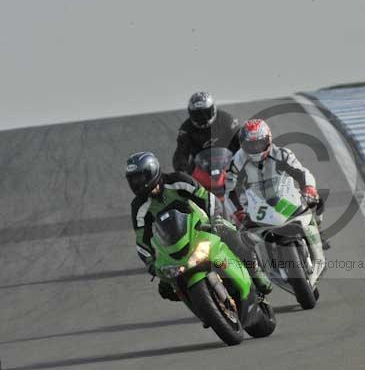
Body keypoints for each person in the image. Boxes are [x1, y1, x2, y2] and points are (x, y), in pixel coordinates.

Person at [125, 151, 272, 299]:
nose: (135, 183)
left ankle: (255, 271)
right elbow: (141, 239)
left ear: (152, 172)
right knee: (166, 290)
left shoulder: (177, 181)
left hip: (202, 226)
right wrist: (150, 262)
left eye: (139, 178)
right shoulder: (138, 206)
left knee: (233, 235)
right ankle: (204, 308)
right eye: (132, 180)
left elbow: (207, 198)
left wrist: (215, 219)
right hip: (173, 246)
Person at [225, 119, 328, 248]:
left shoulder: (281, 154)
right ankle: (258, 265)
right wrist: (238, 212)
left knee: (316, 202)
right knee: (241, 242)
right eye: (251, 145)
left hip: (284, 198)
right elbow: (230, 190)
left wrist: (309, 188)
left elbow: (301, 173)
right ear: (242, 144)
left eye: (259, 143)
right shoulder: (237, 162)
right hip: (255, 206)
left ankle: (318, 230)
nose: (256, 149)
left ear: (268, 140)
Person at [172, 91, 242, 172]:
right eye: (197, 114)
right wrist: (183, 169)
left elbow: (241, 140)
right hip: (201, 167)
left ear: (213, 109)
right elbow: (180, 154)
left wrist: (239, 162)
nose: (202, 117)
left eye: (205, 113)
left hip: (228, 164)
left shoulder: (227, 120)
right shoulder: (185, 130)